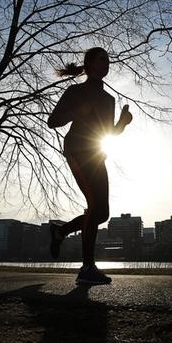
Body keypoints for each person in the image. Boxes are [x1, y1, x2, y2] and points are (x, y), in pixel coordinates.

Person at [47, 47, 132, 285]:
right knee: (94, 206)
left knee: (101, 213)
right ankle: (87, 268)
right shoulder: (76, 90)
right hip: (76, 149)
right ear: (89, 64)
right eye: (102, 59)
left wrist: (122, 124)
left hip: (96, 154)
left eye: (108, 60)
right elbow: (52, 121)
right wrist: (78, 110)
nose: (107, 63)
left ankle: (60, 231)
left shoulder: (109, 99)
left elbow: (108, 133)